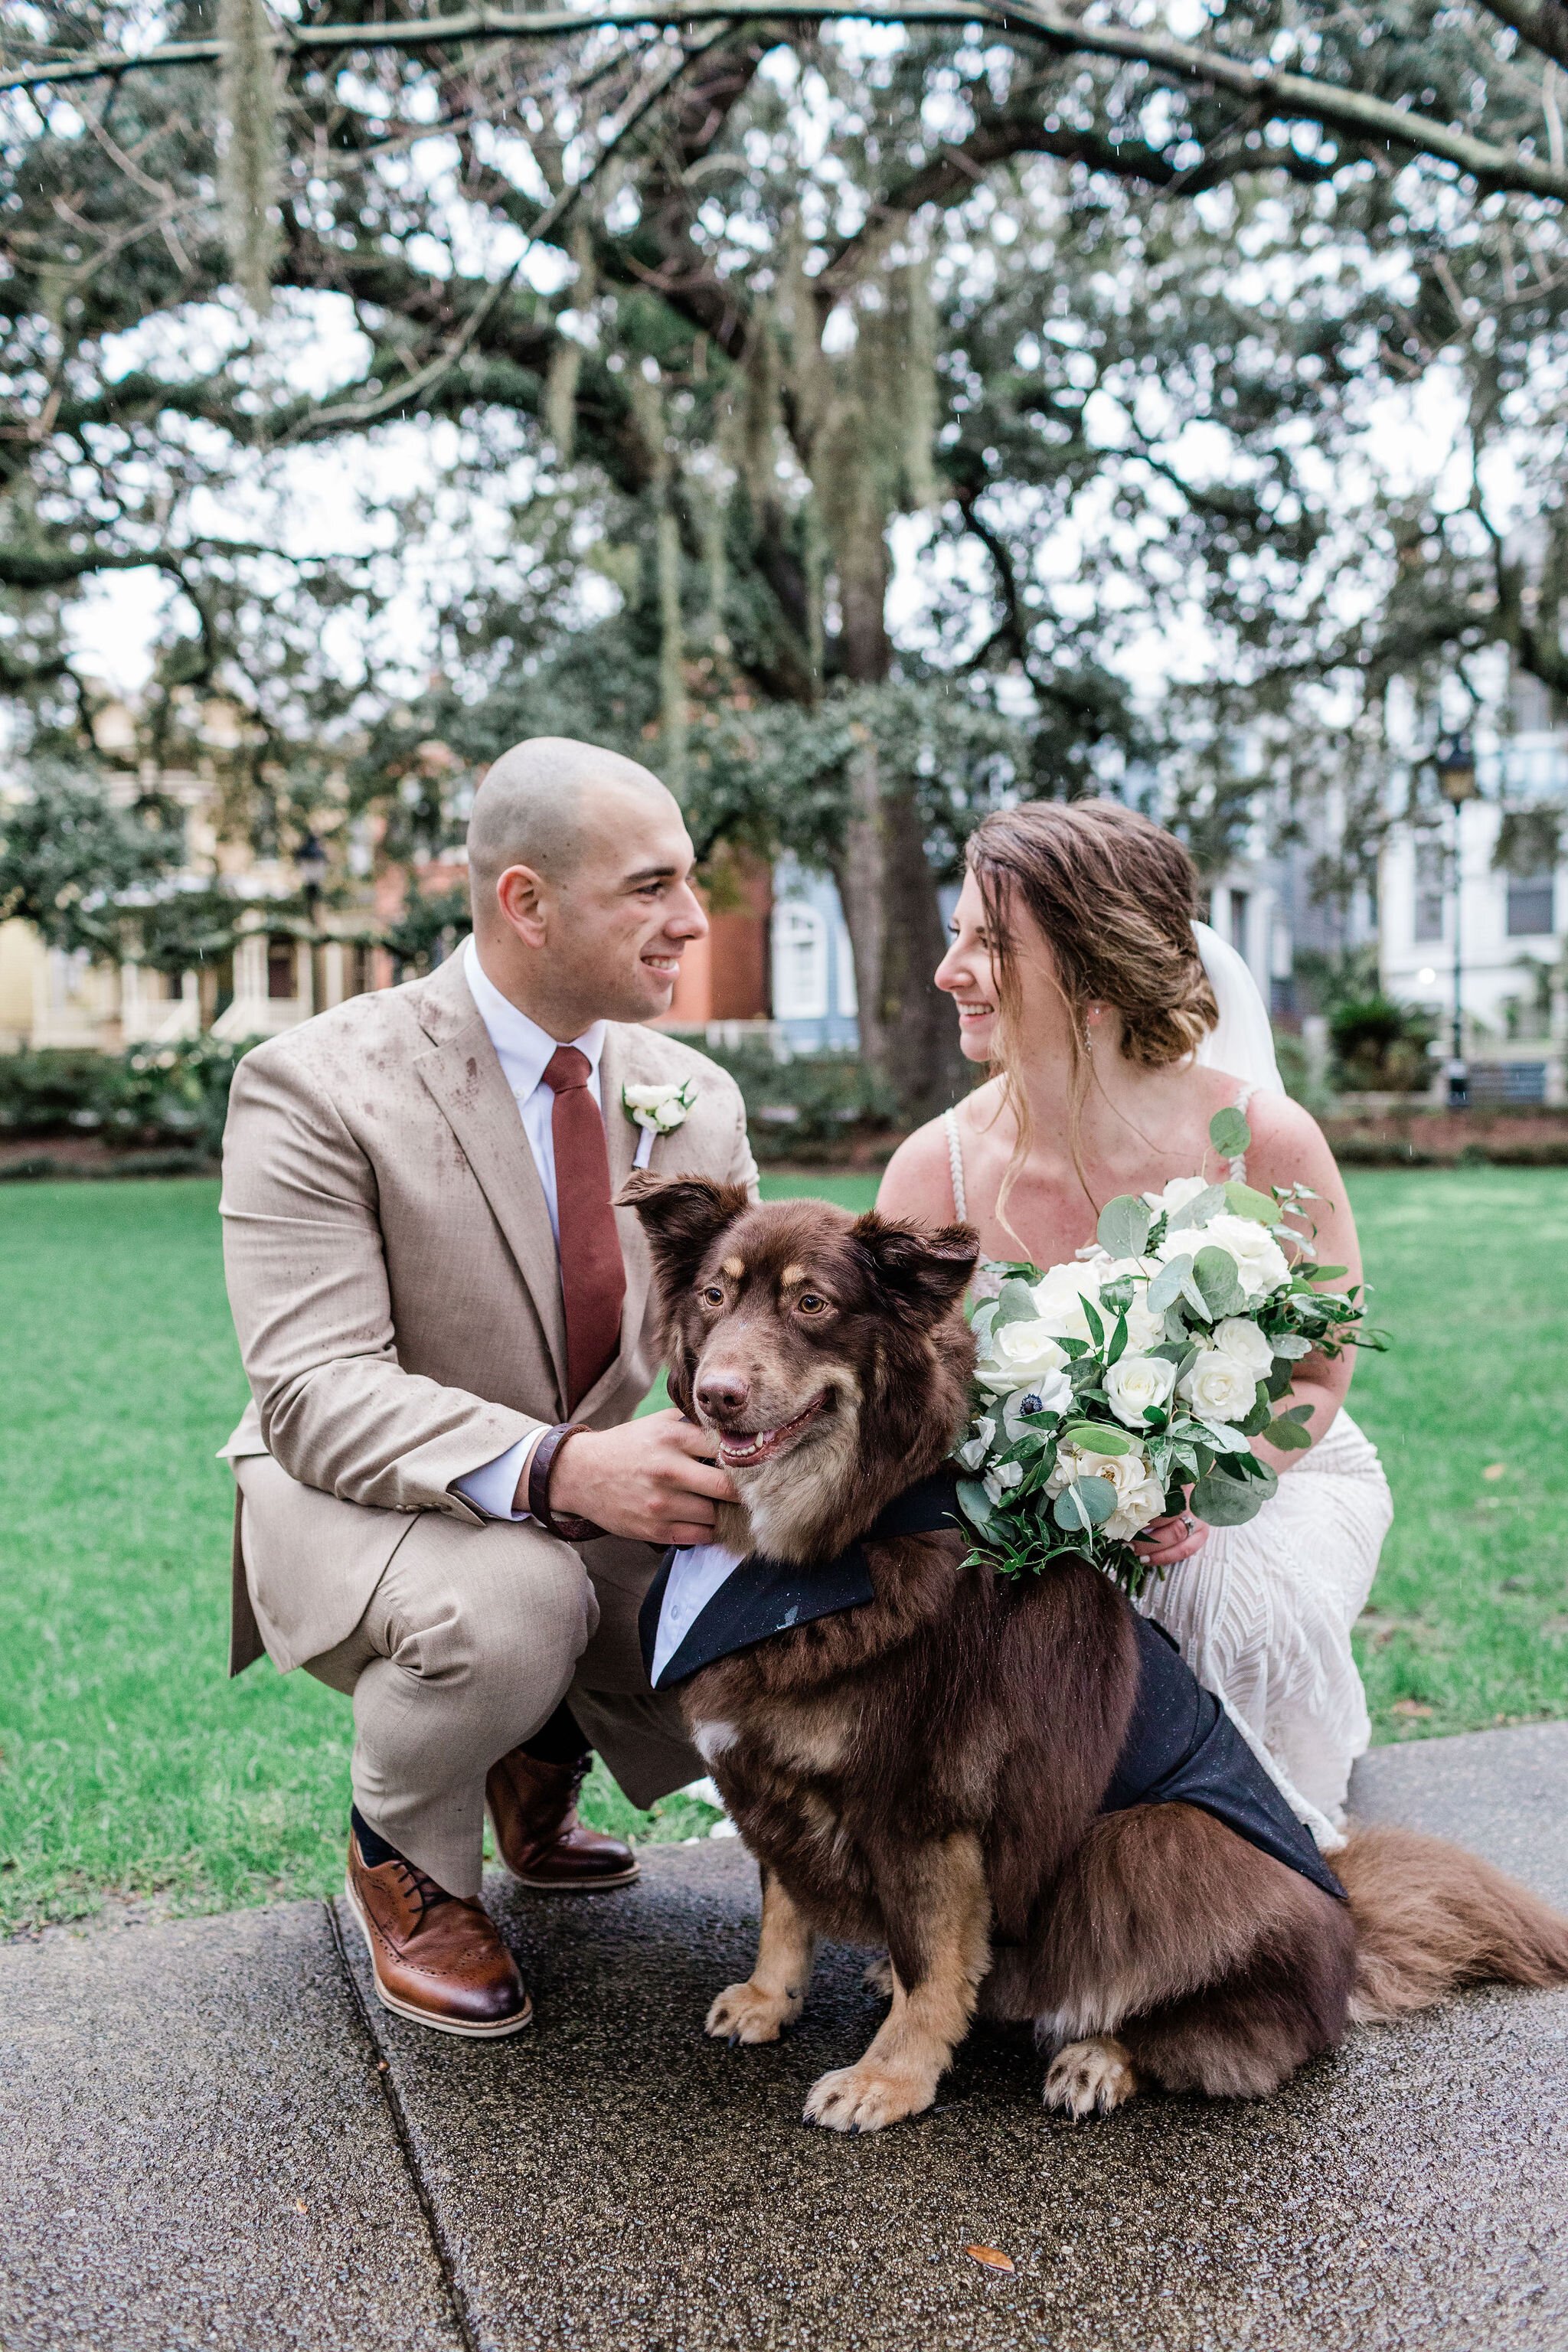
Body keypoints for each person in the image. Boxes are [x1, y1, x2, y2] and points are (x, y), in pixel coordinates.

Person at [220, 737, 756, 2036]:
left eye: (689, 883)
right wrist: (568, 1472)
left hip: (592, 1479)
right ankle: (405, 1859)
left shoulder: (692, 1098)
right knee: (519, 1598)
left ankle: (535, 1757)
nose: (692, 919)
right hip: (354, 1492)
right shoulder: (316, 1084)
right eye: (651, 887)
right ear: (525, 903)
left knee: (791, 1593)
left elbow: (723, 1349)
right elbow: (315, 1390)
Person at [877, 800, 1391, 1849]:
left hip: (1272, 1476)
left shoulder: (1262, 1142)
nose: (951, 971)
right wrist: (1030, 1498)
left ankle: (1258, 1846)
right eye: (954, 936)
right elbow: (908, 1410)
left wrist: (1191, 1484)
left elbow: (1317, 1382)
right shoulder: (940, 1173)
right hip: (1032, 1510)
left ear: (1094, 970)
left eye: (989, 943)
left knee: (1202, 1584)